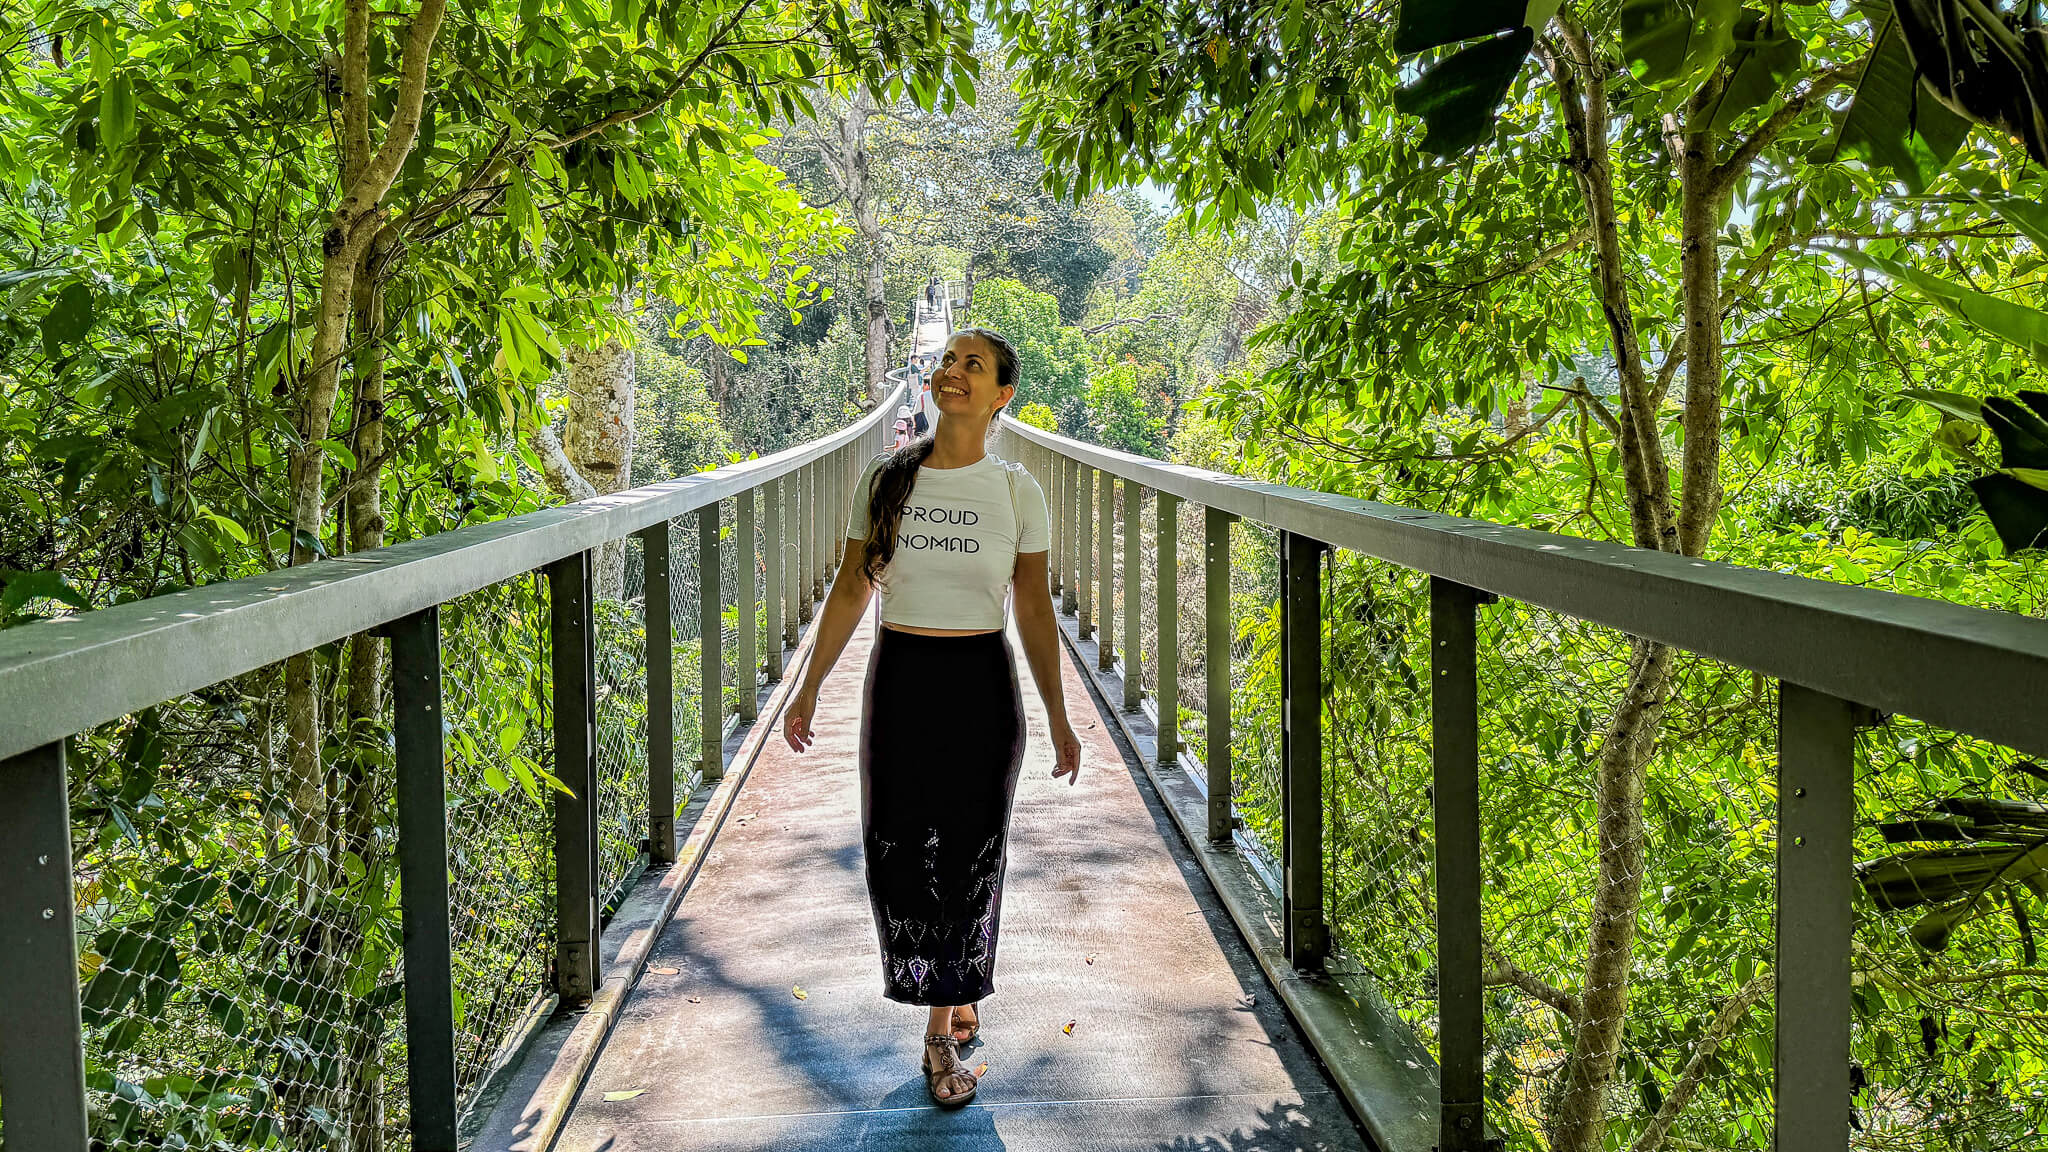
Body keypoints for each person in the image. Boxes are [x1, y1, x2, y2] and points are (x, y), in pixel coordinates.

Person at [782, 328, 1083, 1110]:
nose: (952, 371)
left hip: (981, 684)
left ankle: (939, 1032)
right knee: (900, 853)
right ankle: (951, 986)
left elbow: (1034, 608)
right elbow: (852, 586)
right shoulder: (888, 479)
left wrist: (1059, 714)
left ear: (1001, 395)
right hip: (901, 680)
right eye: (947, 359)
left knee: (970, 857)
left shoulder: (1016, 491)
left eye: (972, 365)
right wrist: (809, 686)